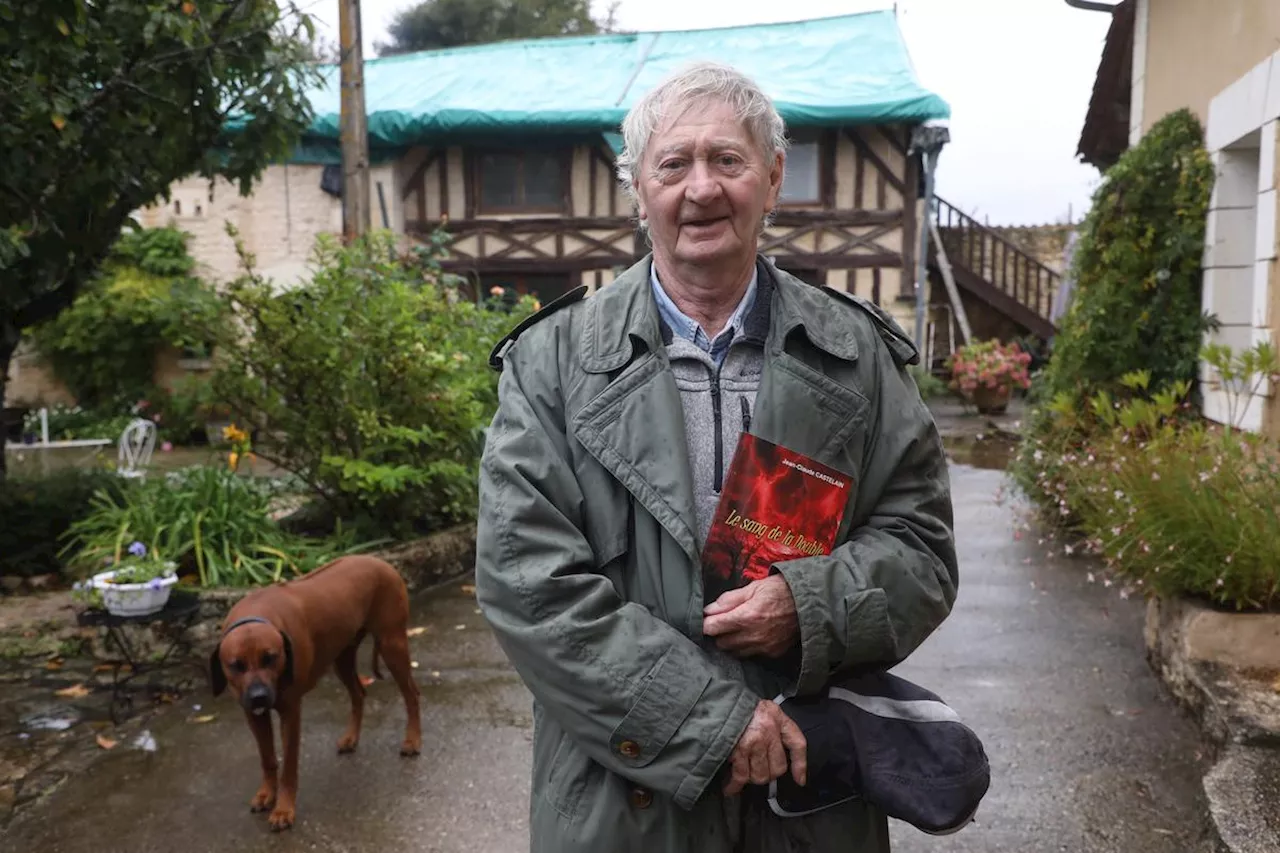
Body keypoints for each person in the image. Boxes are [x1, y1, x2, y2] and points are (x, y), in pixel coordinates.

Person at [475, 60, 959, 853]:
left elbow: (922, 552)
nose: (701, 189)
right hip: (618, 804)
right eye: (673, 164)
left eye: (727, 161)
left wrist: (807, 605)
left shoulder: (856, 355)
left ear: (772, 179)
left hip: (810, 799)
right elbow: (527, 583)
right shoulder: (553, 362)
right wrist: (712, 722)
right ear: (637, 190)